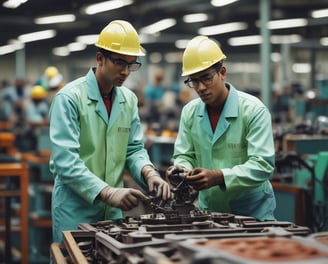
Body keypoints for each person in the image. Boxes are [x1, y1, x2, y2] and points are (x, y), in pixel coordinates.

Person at [49, 20, 171, 243]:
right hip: (75, 208)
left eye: (132, 65)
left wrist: (149, 173)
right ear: (100, 58)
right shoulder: (69, 98)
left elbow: (133, 149)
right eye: (119, 63)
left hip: (113, 212)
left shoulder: (128, 100)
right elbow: (65, 161)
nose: (126, 71)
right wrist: (107, 192)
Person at [166, 36, 276, 221]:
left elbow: (262, 165)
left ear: (222, 72)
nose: (200, 87)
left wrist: (219, 177)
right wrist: (181, 170)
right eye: (193, 81)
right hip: (209, 213)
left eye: (206, 78)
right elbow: (185, 154)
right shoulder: (190, 112)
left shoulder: (253, 110)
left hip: (252, 214)